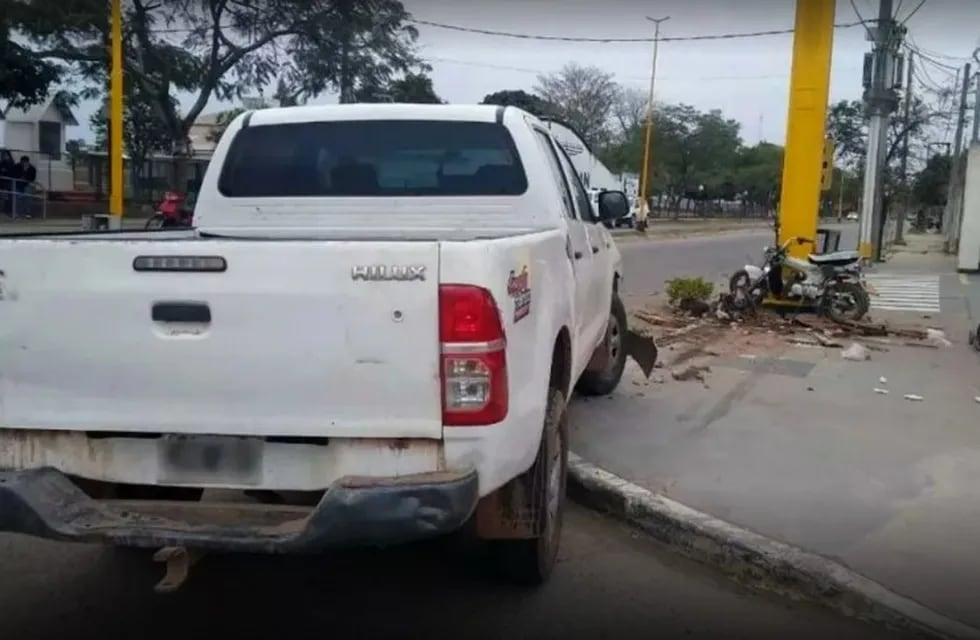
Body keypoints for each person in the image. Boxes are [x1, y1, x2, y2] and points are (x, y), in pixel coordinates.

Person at [0, 150, 15, 217]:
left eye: (6, 155)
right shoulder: (1, 163)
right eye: (3, 155)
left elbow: (12, 173)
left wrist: (5, 171)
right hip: (2, 183)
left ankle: (9, 211)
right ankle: (3, 210)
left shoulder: (11, 163)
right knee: (3, 197)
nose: (5, 157)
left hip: (9, 182)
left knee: (9, 197)